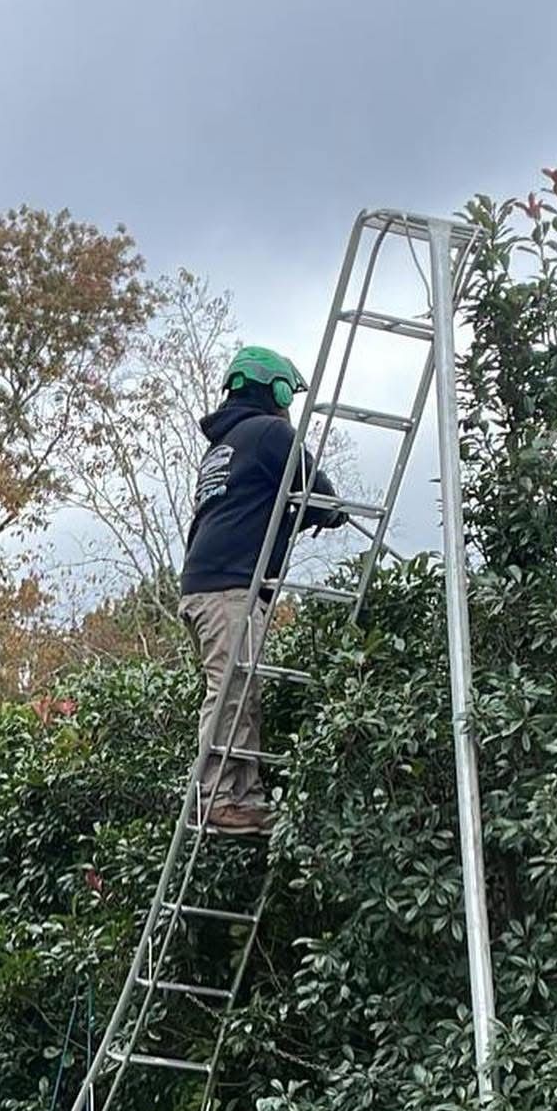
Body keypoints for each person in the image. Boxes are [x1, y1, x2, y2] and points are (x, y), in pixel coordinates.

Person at [179, 345, 347, 833]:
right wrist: (329, 513)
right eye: (286, 395)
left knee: (240, 686)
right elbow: (319, 490)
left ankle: (242, 795)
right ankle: (217, 796)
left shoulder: (225, 446)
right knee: (233, 687)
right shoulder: (271, 433)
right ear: (273, 390)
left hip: (207, 584)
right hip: (230, 585)